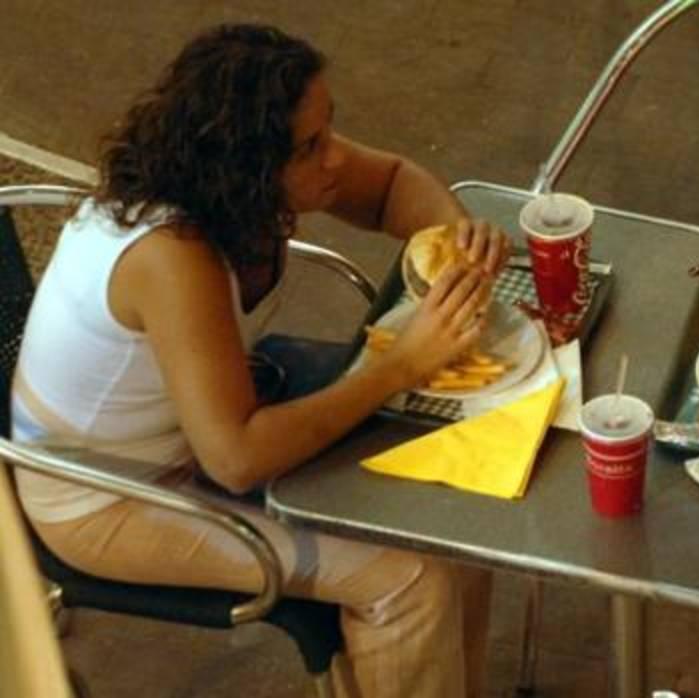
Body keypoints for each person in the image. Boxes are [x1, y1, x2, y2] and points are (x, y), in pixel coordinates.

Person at [10, 24, 509, 698]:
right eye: (310, 149)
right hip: (105, 495)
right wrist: (400, 367)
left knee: (455, 526)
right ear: (245, 166)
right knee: (407, 578)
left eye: (328, 130)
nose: (334, 160)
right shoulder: (170, 257)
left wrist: (455, 242)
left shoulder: (240, 181)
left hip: (205, 426)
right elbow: (238, 456)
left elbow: (392, 186)